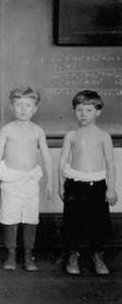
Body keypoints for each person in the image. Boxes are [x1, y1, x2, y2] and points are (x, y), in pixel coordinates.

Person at [0, 87, 52, 272]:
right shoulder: (7, 129)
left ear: (35, 109)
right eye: (19, 105)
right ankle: (11, 254)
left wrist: (50, 181)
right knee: (10, 217)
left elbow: (46, 156)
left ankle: (28, 255)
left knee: (30, 218)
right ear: (11, 107)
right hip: (10, 179)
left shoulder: (37, 130)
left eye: (28, 105)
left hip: (30, 180)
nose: (23, 109)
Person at [59, 90, 117, 275]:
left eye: (89, 110)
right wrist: (61, 184)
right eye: (79, 110)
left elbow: (110, 164)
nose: (83, 114)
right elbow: (62, 162)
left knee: (98, 223)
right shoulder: (71, 135)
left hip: (97, 185)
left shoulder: (103, 136)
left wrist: (111, 188)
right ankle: (72, 255)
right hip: (75, 184)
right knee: (72, 222)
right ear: (74, 111)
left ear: (98, 112)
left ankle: (97, 255)